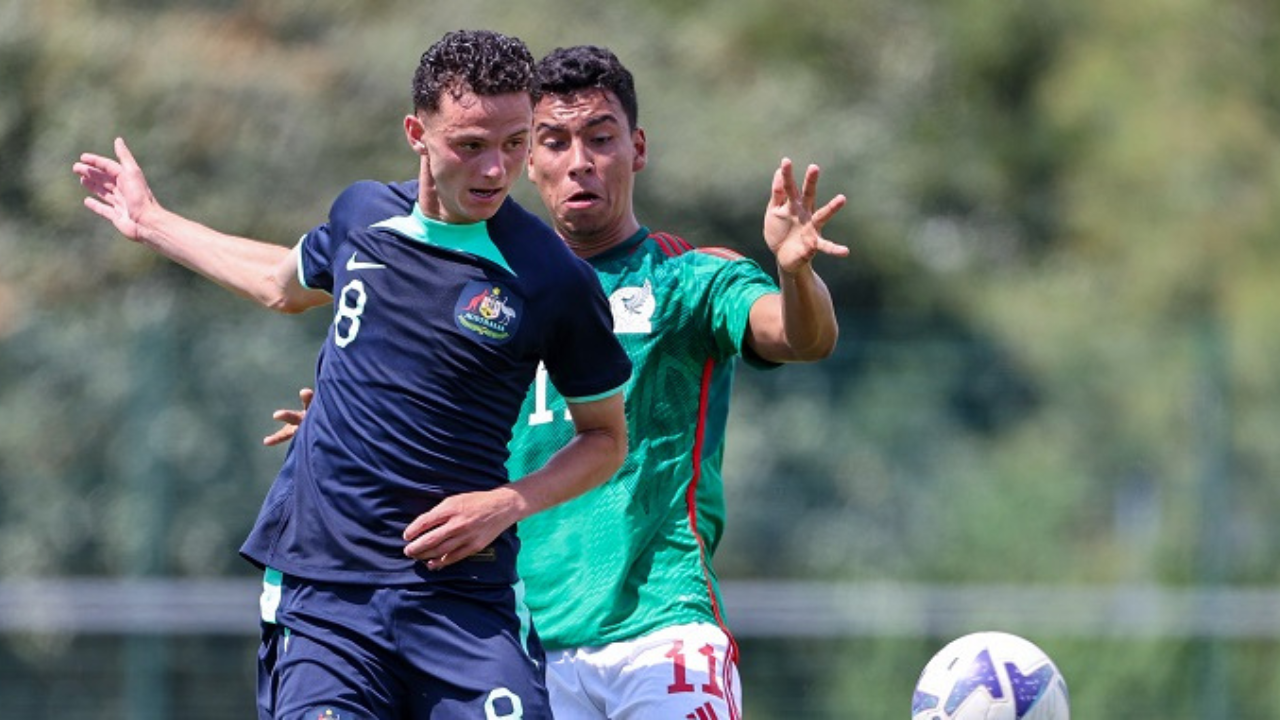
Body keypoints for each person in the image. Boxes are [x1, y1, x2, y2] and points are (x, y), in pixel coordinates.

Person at [268, 44, 848, 719]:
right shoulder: (489, 285)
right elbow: (303, 291)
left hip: (660, 630)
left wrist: (796, 271)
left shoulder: (689, 278)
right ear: (528, 159)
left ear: (636, 149)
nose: (580, 161)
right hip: (516, 633)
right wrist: (343, 426)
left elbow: (800, 337)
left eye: (601, 139)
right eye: (554, 141)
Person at [74, 30, 632, 720]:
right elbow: (279, 284)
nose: (496, 169)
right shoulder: (362, 216)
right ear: (416, 134)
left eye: (515, 144)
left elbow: (605, 438)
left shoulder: (552, 277)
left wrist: (507, 503)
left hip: (462, 598)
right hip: (325, 592)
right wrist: (152, 222)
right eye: (471, 146)